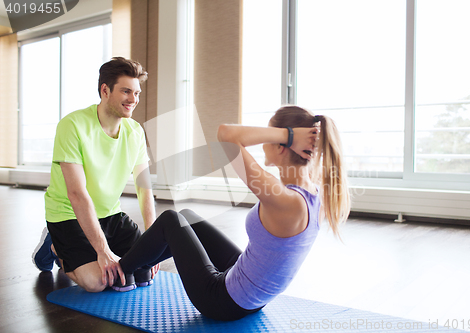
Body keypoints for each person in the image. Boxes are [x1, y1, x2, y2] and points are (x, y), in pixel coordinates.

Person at [114, 105, 351, 321]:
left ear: (280, 145)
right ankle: (142, 267)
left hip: (222, 302)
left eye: (270, 135)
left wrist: (286, 134)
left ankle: (119, 272)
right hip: (253, 296)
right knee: (188, 218)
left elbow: (225, 135)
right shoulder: (315, 193)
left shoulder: (284, 200)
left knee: (170, 219)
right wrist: (287, 135)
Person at [32, 57, 158, 293]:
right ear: (105, 90)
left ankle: (96, 245)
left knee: (142, 272)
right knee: (98, 282)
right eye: (126, 91)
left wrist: (152, 241)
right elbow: (77, 194)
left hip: (111, 214)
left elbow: (144, 187)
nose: (134, 99)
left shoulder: (135, 131)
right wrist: (102, 251)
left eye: (137, 93)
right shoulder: (72, 125)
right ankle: (53, 246)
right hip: (69, 214)